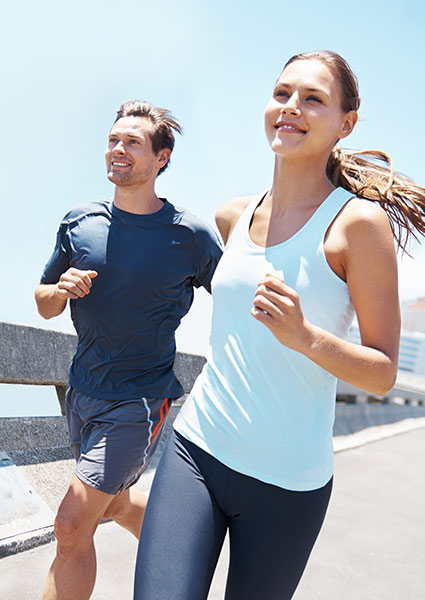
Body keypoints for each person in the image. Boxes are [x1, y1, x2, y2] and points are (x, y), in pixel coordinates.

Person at [133, 51, 425, 600]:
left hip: (287, 483)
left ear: (346, 123)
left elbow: (384, 372)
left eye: (313, 98)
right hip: (198, 448)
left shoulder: (357, 224)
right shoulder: (233, 216)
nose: (291, 107)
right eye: (282, 93)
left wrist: (305, 337)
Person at [34, 100, 222, 600]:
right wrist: (61, 289)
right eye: (114, 140)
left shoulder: (191, 235)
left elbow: (235, 298)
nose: (118, 149)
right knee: (110, 507)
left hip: (139, 401)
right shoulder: (80, 222)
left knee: (72, 525)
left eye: (133, 142)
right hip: (83, 392)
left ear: (161, 158)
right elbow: (43, 302)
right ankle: (182, 555)